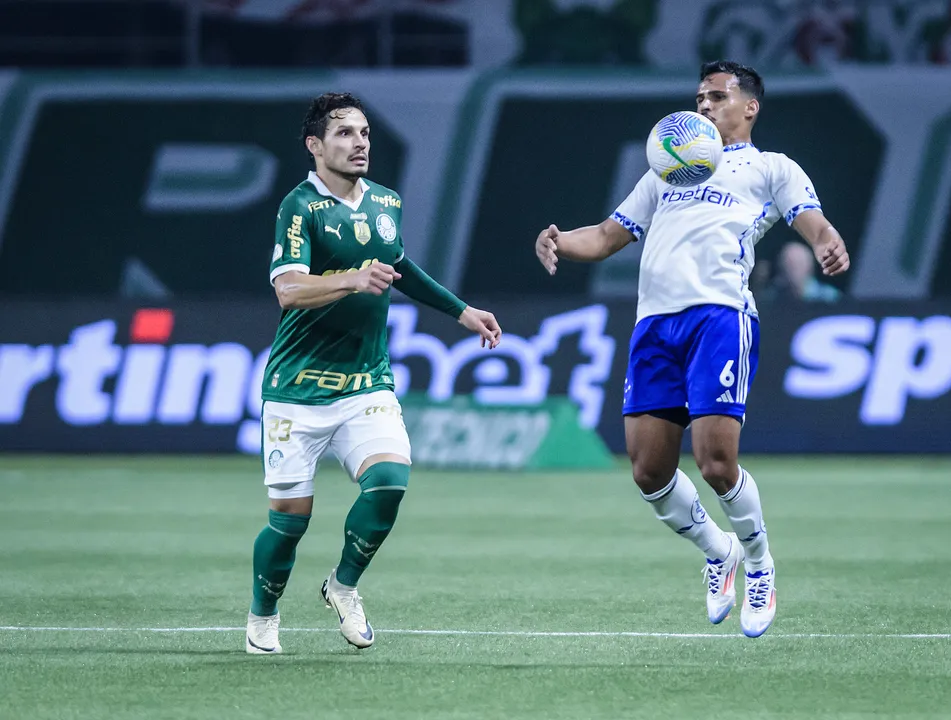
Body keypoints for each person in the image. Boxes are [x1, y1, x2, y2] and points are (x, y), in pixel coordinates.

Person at [534, 61, 849, 637]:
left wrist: (828, 244)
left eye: (718, 96)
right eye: (700, 96)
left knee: (714, 462)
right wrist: (560, 239)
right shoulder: (667, 169)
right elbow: (607, 236)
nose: (704, 105)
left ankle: (759, 563)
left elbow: (814, 222)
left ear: (750, 106)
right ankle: (717, 549)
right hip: (654, 324)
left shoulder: (770, 168)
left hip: (720, 318)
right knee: (649, 471)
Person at [246, 92, 502, 654]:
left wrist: (461, 310)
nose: (359, 142)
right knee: (289, 524)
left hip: (366, 381)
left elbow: (399, 266)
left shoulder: (386, 200)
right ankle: (263, 614)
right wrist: (350, 278)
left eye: (364, 132)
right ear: (315, 145)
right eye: (344, 133)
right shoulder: (301, 207)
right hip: (297, 389)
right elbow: (288, 289)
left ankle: (342, 586)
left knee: (390, 483)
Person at [759, 241, 842, 303]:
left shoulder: (829, 298)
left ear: (810, 267)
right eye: (789, 265)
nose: (793, 270)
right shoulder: (771, 297)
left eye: (799, 264)